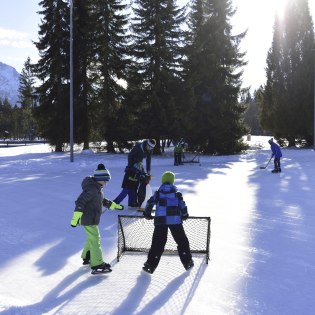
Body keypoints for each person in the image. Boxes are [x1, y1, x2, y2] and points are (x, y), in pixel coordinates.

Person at [70, 163, 124, 273]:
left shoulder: (97, 189)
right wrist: (75, 219)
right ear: (99, 179)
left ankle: (87, 255)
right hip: (88, 219)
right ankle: (97, 263)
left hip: (92, 218)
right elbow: (80, 202)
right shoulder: (92, 189)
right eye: (105, 181)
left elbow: (103, 201)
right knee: (96, 239)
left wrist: (115, 206)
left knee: (92, 238)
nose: (106, 183)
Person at [142, 171, 194, 274]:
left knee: (158, 242)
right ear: (172, 181)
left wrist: (147, 213)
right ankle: (187, 261)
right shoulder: (176, 194)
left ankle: (150, 265)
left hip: (160, 221)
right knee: (182, 241)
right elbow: (182, 205)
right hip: (175, 221)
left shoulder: (158, 193)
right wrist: (184, 215)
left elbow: (150, 202)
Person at [113, 139, 156, 207]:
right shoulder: (139, 147)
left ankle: (132, 202)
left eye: (151, 148)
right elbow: (130, 155)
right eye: (149, 147)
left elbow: (148, 160)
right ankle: (115, 202)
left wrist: (148, 170)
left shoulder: (150, 150)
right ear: (146, 144)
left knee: (134, 187)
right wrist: (131, 166)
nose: (149, 148)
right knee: (127, 189)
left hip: (138, 166)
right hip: (132, 166)